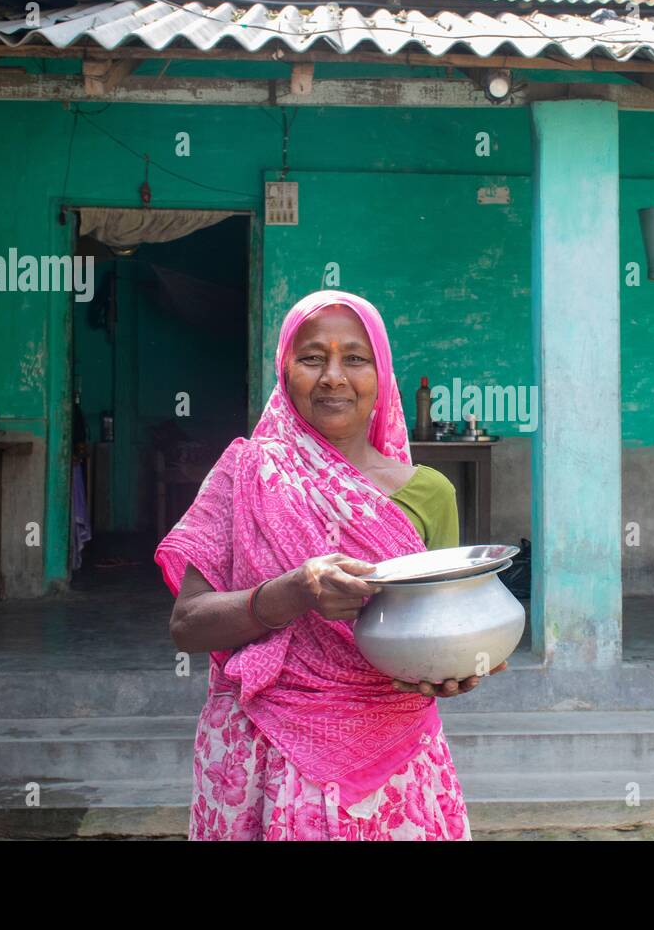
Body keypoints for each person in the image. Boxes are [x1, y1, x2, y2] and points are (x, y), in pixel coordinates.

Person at [155, 289, 504, 841]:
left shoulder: (430, 494)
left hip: (393, 763)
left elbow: (446, 630)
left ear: (381, 374)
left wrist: (459, 669)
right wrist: (293, 591)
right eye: (312, 358)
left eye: (355, 359)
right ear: (285, 371)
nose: (333, 377)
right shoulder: (245, 473)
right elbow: (187, 625)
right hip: (263, 757)